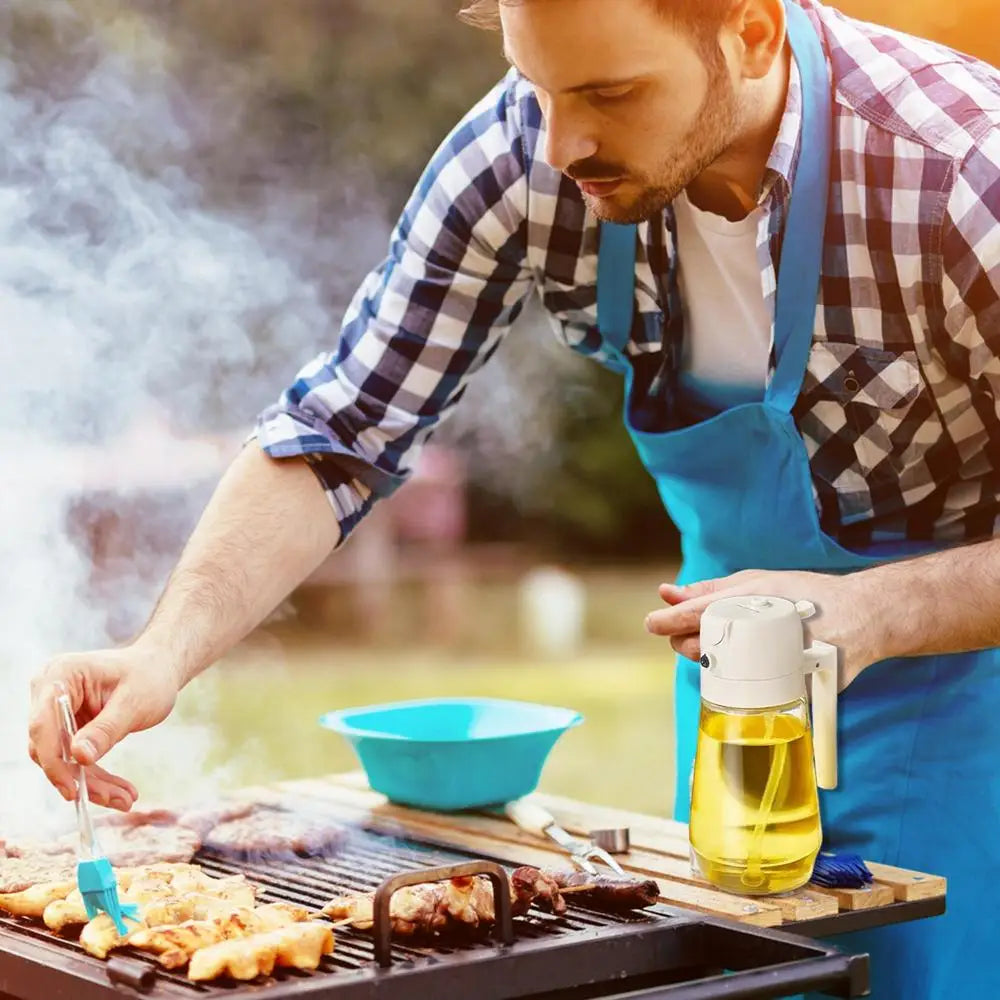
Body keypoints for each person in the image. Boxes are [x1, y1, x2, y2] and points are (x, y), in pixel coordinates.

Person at [27, 0, 1000, 995]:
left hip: (959, 692)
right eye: (537, 85)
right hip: (729, 695)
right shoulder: (522, 149)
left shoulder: (960, 169)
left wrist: (877, 609)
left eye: (609, 92)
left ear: (749, 34)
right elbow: (344, 430)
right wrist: (161, 653)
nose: (563, 141)